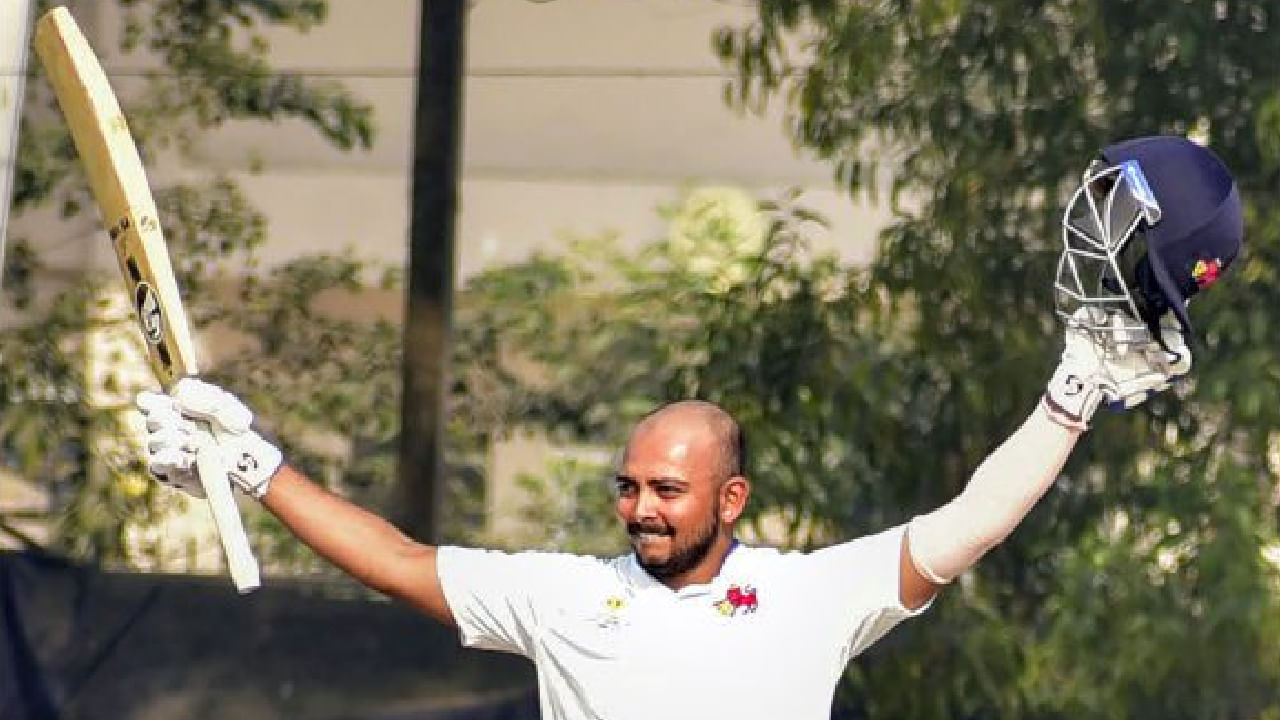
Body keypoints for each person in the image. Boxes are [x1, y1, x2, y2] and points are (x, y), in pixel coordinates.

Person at [135, 135, 1241, 720]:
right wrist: (255, 464)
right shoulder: (567, 598)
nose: (640, 508)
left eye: (667, 490)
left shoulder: (810, 598)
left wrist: (1071, 393)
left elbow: (969, 523)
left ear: (730, 499)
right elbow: (400, 562)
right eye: (629, 486)